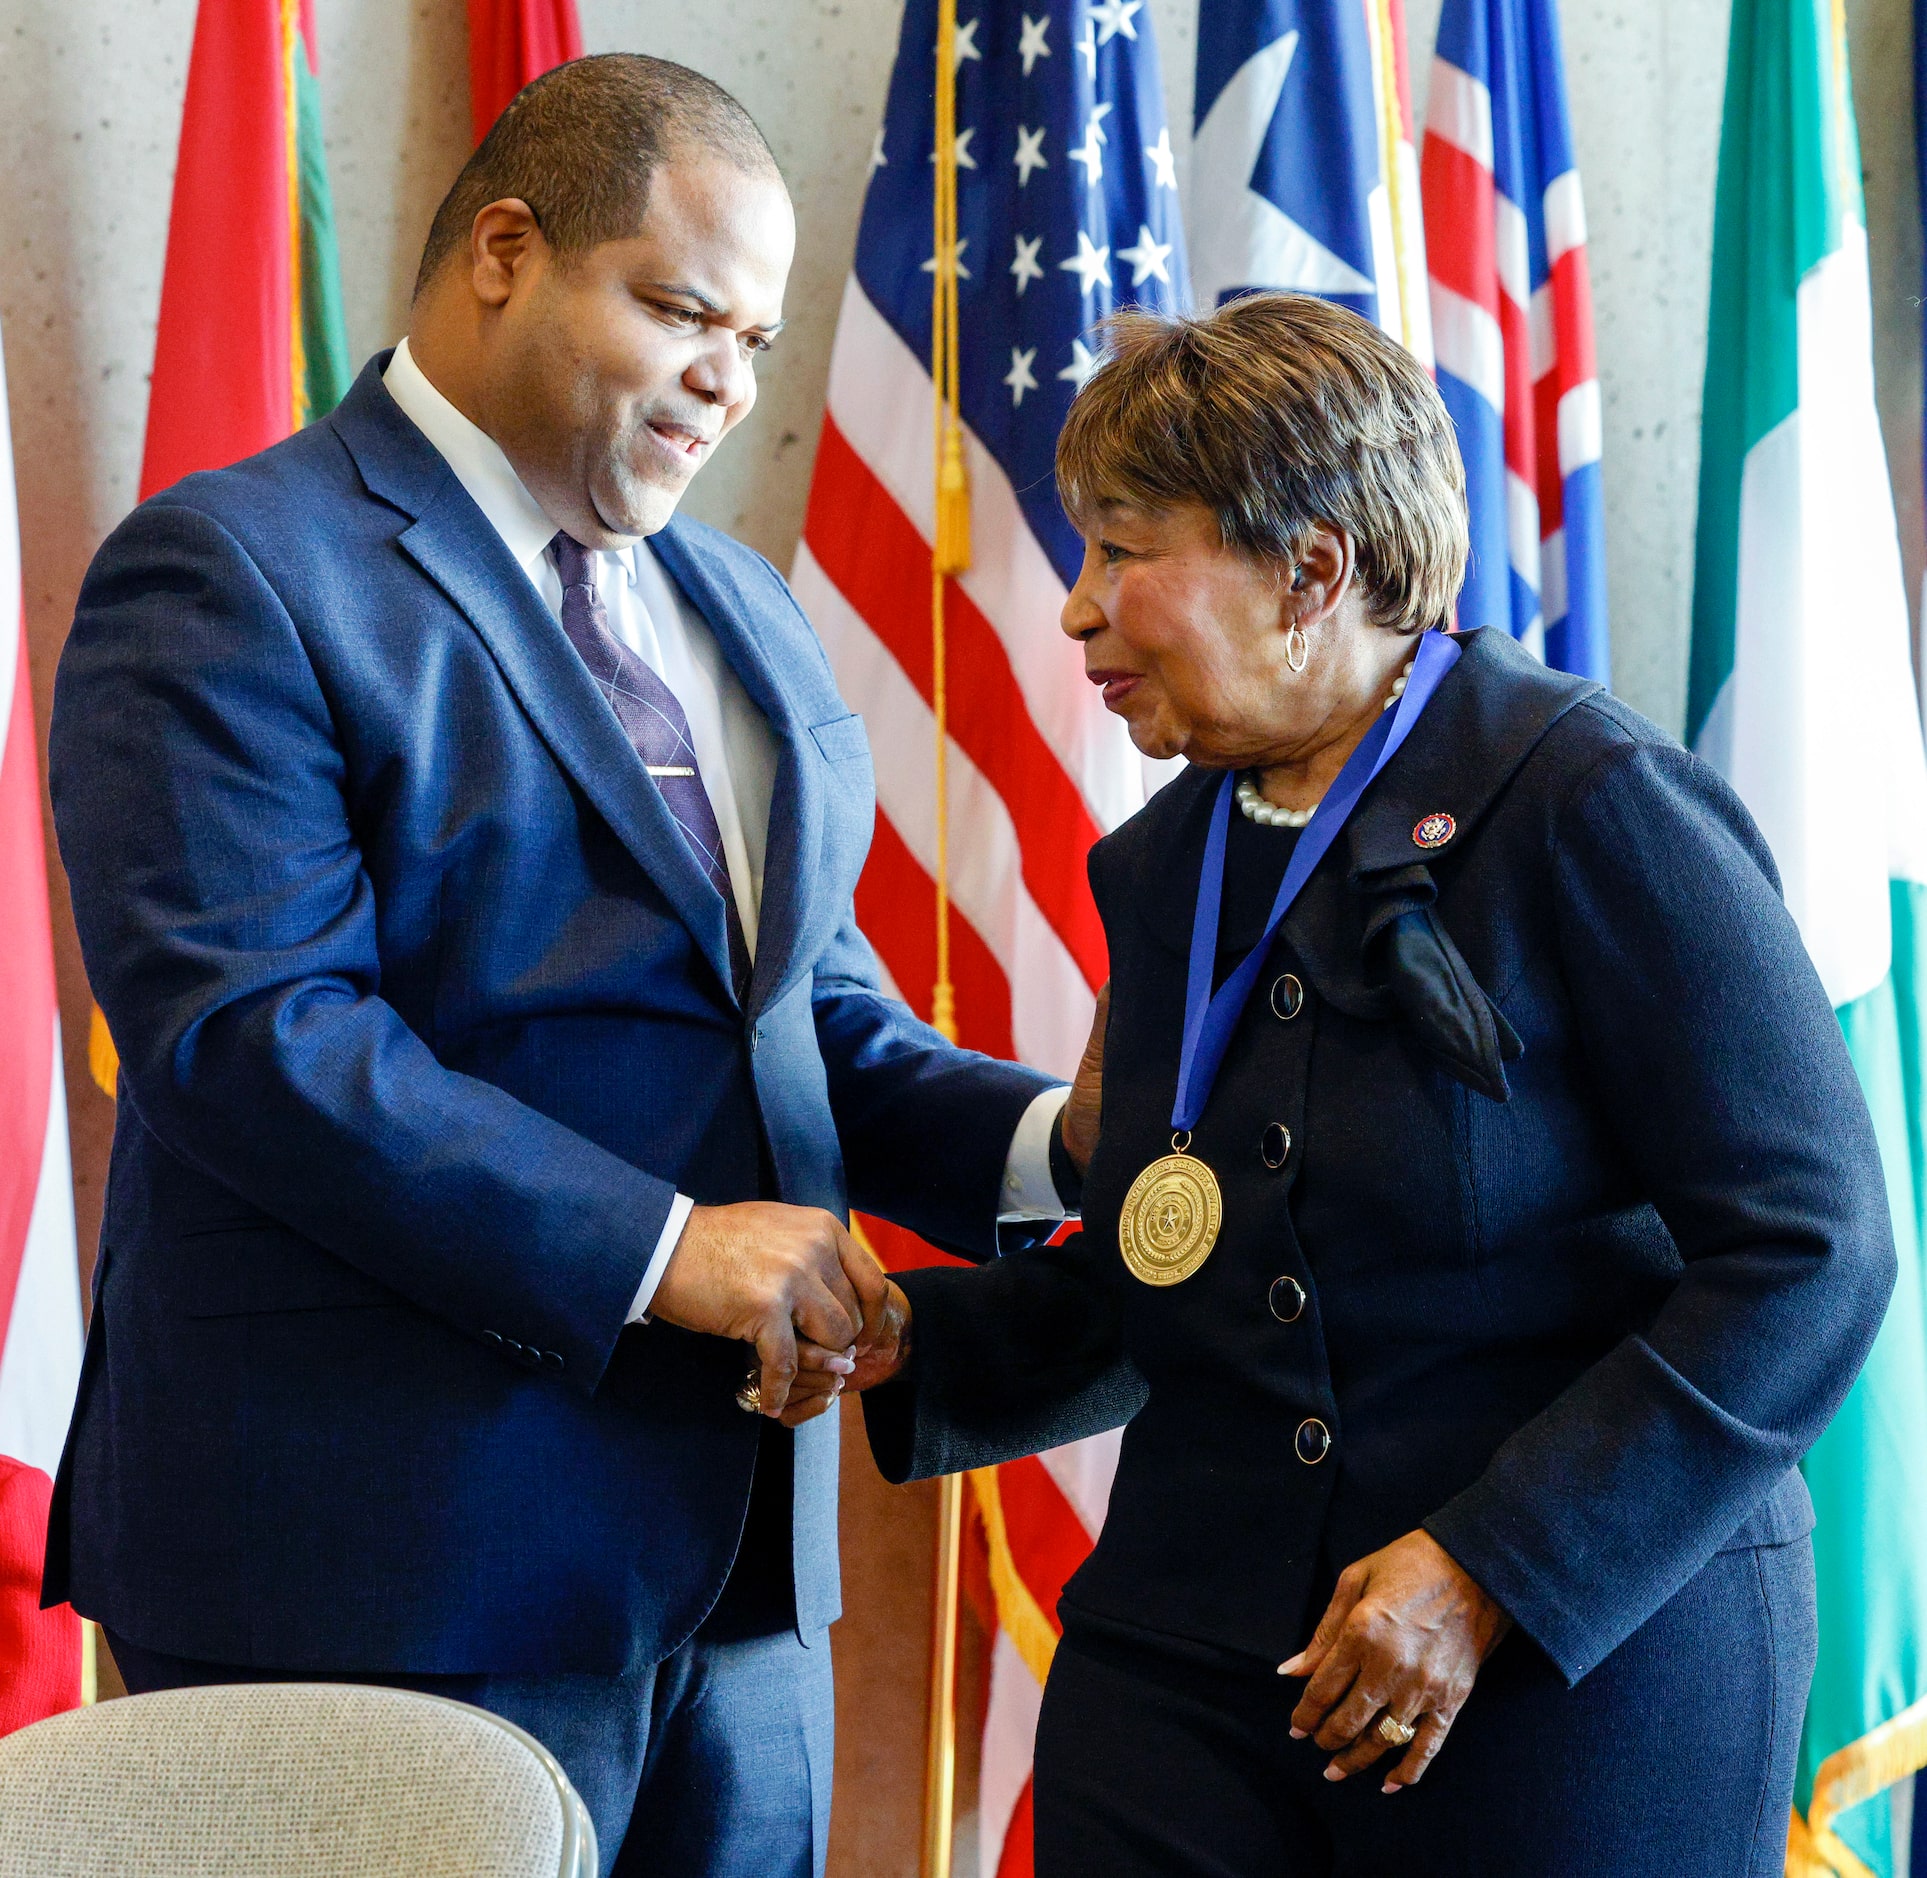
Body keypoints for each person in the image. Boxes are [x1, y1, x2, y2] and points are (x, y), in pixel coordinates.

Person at [46, 55, 1087, 1876]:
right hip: (378, 1564)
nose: (728, 382)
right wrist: (673, 1249)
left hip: (739, 1578)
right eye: (683, 310)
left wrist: (1065, 1146)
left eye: (757, 341)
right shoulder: (232, 568)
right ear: (507, 252)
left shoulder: (739, 610)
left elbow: (808, 1020)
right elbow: (256, 1033)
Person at [852, 293, 1897, 1877]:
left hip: (1565, 1662)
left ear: (1313, 570)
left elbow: (1814, 1251)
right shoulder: (1163, 863)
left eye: (1125, 551)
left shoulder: (1596, 802)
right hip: (1190, 1664)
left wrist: (1491, 1567)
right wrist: (894, 1335)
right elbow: (1185, 1263)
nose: (1077, 612)